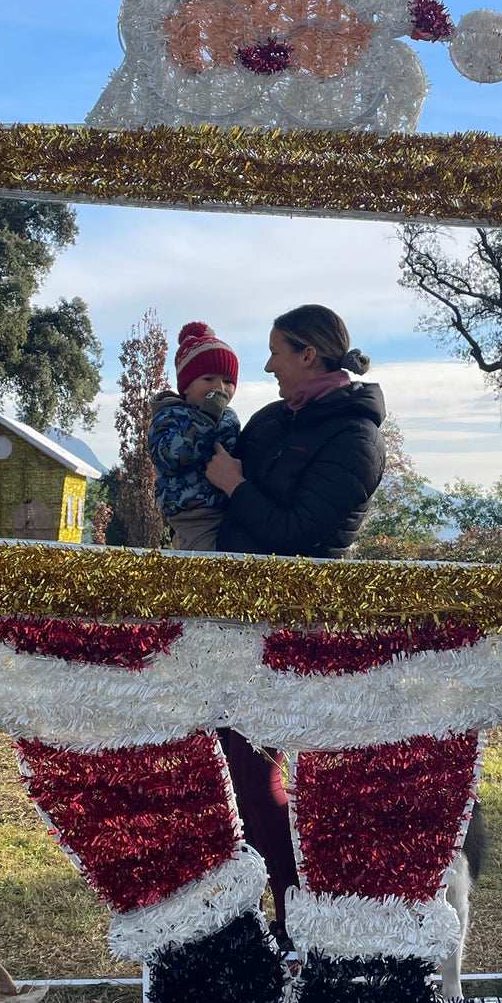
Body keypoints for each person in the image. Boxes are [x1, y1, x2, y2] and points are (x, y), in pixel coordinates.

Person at [205, 304, 386, 940]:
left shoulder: (357, 438)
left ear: (308, 354)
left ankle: (297, 919)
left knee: (262, 776)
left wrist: (234, 486)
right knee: (231, 774)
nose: (267, 365)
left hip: (295, 633)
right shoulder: (269, 420)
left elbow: (297, 535)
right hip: (231, 625)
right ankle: (257, 921)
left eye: (277, 351)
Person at [148, 322, 240, 551]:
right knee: (206, 566)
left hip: (229, 508)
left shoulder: (228, 417)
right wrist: (205, 419)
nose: (219, 388)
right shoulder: (170, 416)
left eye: (228, 381)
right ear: (186, 387)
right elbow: (172, 456)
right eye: (208, 379)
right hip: (193, 516)